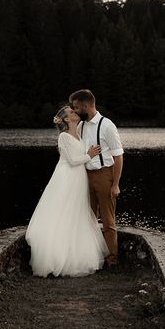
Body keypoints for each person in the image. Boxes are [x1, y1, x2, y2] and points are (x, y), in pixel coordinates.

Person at [25, 105, 109, 277]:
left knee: (77, 213)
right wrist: (90, 155)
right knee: (63, 211)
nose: (74, 112)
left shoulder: (79, 132)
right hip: (66, 177)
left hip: (79, 178)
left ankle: (77, 256)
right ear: (66, 119)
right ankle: (56, 257)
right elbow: (71, 160)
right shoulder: (63, 136)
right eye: (71, 112)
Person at [69, 89, 124, 268]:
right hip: (85, 176)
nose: (75, 111)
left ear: (86, 106)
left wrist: (115, 184)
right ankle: (92, 257)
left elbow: (118, 156)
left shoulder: (107, 125)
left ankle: (112, 259)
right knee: (89, 218)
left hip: (104, 175)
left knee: (108, 220)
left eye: (76, 107)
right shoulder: (81, 126)